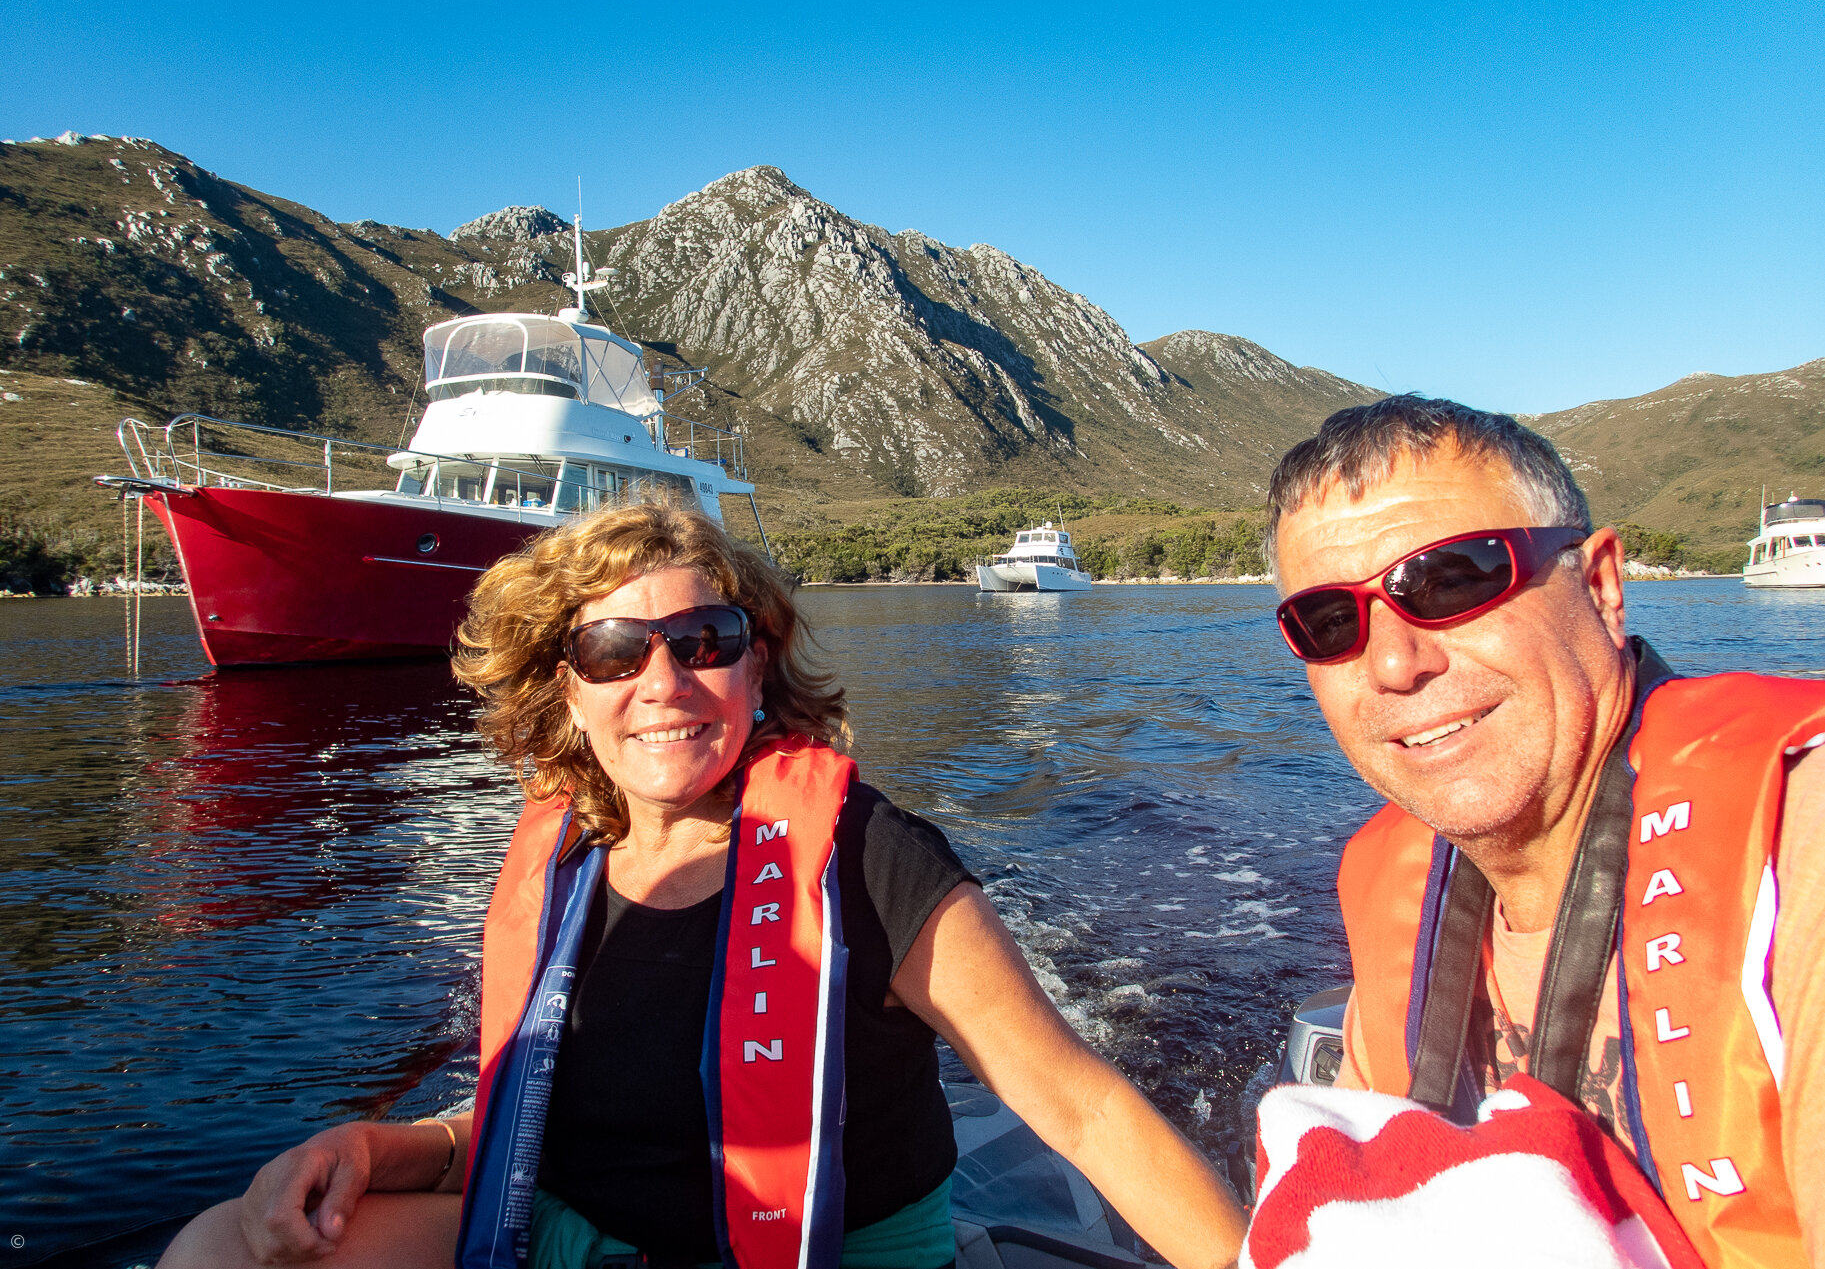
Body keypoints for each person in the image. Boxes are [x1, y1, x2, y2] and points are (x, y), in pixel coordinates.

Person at [161, 504, 1245, 1269]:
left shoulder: (867, 860)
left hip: (826, 1252)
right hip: (572, 1241)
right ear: (565, 691)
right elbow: (539, 1128)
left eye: (703, 641)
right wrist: (371, 1146)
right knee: (214, 1246)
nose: (664, 685)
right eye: (615, 651)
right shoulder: (564, 867)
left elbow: (1081, 1107)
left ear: (757, 666)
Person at [1265, 395, 1825, 1267]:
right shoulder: (1383, 878)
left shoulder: (1800, 835)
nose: (1392, 663)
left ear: (1599, 585)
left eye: (1451, 580)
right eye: (1330, 623)